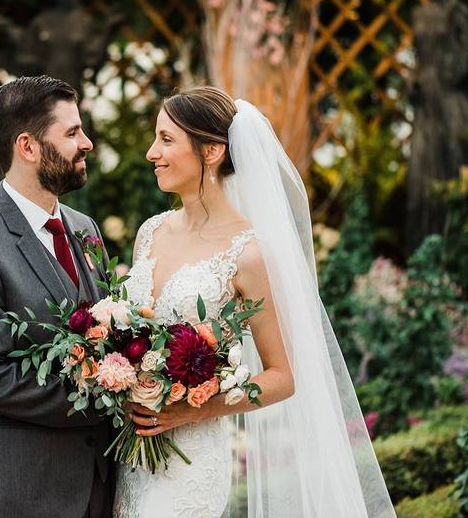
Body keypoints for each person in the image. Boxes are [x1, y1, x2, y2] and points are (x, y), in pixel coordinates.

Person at [114, 86, 396, 518]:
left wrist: (193, 411)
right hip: (131, 455)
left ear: (211, 151)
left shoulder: (248, 254)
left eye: (167, 139)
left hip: (190, 459)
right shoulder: (150, 232)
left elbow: (283, 377)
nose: (152, 152)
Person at [0, 75, 114, 518]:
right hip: (17, 496)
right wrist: (107, 393)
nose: (87, 143)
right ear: (28, 147)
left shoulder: (84, 228)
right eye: (72, 132)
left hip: (95, 487)